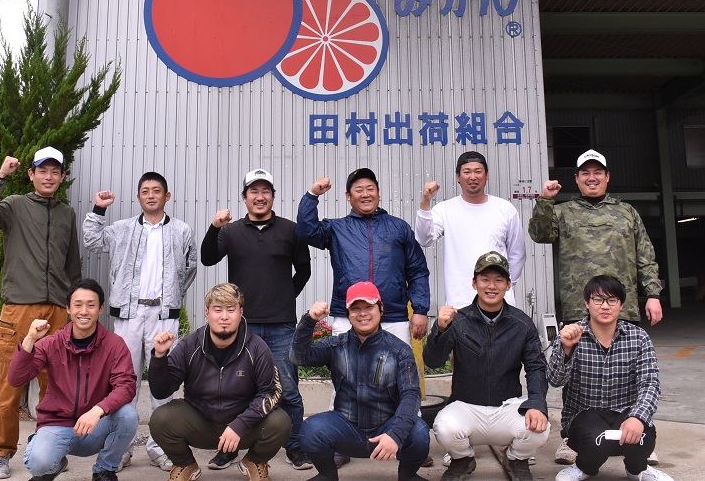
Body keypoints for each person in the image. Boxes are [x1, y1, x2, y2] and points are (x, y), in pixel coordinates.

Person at [528, 148, 664, 465]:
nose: (592, 178)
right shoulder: (564, 211)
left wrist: (653, 293)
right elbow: (539, 234)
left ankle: (638, 431)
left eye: (597, 172)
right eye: (585, 173)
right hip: (579, 307)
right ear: (576, 179)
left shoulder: (627, 212)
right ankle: (571, 438)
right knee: (575, 373)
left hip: (622, 308)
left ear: (607, 177)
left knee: (630, 373)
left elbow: (646, 255)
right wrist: (545, 200)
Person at [0, 146, 82, 480]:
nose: (49, 177)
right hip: (19, 309)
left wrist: (75, 306)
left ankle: (49, 450)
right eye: (42, 171)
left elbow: (72, 263)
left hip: (58, 312)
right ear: (31, 174)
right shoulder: (14, 205)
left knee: (56, 388)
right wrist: (0, 176)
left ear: (62, 177)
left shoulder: (67, 214)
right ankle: (0, 453)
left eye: (55, 172)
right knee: (11, 383)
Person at [82, 171, 198, 471]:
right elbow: (92, 240)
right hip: (129, 316)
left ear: (166, 196)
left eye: (156, 190)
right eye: (145, 190)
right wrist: (99, 209)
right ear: (138, 197)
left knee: (163, 385)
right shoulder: (121, 229)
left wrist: (172, 298)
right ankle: (120, 449)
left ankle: (161, 447)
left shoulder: (182, 231)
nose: (150, 195)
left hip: (163, 316)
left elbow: (190, 267)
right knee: (124, 383)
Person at [200, 168, 313, 471]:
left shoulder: (291, 230)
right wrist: (214, 227)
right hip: (243, 326)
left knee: (287, 388)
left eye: (265, 191)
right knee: (237, 388)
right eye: (253, 191)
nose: (259, 197)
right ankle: (229, 447)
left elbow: (304, 269)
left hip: (281, 325)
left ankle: (295, 445)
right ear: (245, 198)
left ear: (273, 197)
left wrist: (286, 296)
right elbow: (208, 258)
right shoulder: (231, 231)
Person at [423, 251, 549, 481]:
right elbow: (432, 362)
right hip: (467, 406)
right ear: (474, 283)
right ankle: (463, 460)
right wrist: (440, 330)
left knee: (540, 425)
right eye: (485, 279)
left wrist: (537, 404)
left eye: (499, 280)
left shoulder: (522, 323)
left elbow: (536, 368)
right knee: (444, 426)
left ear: (508, 284)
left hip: (507, 407)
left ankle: (516, 460)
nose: (491, 286)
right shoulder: (458, 320)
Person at [148, 283, 291, 481]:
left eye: (231, 310)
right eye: (218, 309)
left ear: (241, 312)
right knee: (160, 419)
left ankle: (254, 461)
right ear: (207, 312)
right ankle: (185, 464)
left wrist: (240, 424)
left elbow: (271, 392)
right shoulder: (190, 345)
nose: (224, 317)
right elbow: (161, 390)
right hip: (200, 422)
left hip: (244, 427)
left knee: (280, 421)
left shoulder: (257, 348)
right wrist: (159, 356)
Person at [291, 282, 430, 481]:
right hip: (347, 429)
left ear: (381, 310)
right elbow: (299, 357)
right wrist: (308, 321)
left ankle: (407, 476)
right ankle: (327, 475)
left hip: (386, 430)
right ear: (348, 314)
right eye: (355, 309)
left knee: (419, 433)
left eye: (369, 307)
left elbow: (411, 395)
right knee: (310, 430)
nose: (362, 313)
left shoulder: (399, 350)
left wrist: (396, 434)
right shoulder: (336, 345)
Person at [8, 278, 137, 481]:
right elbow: (16, 378)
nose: (84, 311)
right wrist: (30, 338)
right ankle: (51, 457)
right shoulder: (52, 343)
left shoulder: (115, 344)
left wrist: (98, 410)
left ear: (101, 309)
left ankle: (104, 470)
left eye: (91, 305)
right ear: (68, 308)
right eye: (78, 305)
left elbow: (127, 386)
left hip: (95, 426)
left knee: (128, 415)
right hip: (57, 424)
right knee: (39, 465)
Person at [548, 276, 671, 481]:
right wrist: (566, 349)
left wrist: (637, 417)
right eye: (598, 300)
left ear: (621, 305)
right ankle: (584, 467)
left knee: (644, 438)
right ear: (586, 303)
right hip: (585, 418)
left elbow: (650, 383)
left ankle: (637, 469)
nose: (605, 306)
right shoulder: (571, 334)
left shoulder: (638, 337)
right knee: (596, 439)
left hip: (625, 414)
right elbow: (554, 380)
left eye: (612, 300)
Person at [297, 168, 430, 344]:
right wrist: (312, 195)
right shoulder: (337, 229)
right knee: (347, 370)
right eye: (359, 190)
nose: (365, 194)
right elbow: (306, 232)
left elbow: (417, 270)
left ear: (378, 193)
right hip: (349, 317)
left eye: (370, 189)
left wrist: (420, 310)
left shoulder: (399, 227)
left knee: (397, 369)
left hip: (393, 318)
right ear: (348, 196)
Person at [415, 151, 527, 308]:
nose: (473, 177)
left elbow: (517, 254)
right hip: (460, 303)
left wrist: (506, 287)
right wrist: (425, 203)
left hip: (499, 304)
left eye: (478, 171)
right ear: (458, 177)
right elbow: (424, 239)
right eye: (467, 172)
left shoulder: (505, 209)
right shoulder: (445, 209)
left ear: (486, 176)